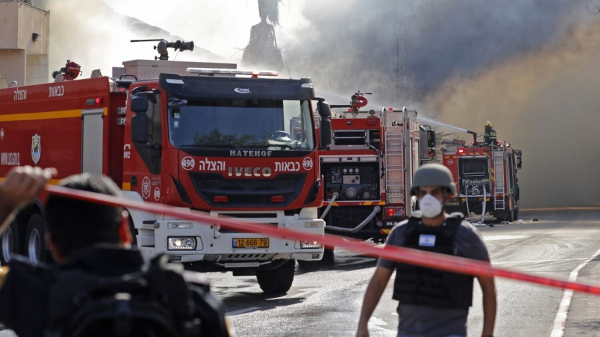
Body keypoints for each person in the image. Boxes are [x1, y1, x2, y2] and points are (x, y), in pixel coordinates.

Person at [0, 166, 230, 337]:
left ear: (52, 244)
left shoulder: (29, 293)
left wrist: (6, 203)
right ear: (124, 228)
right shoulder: (195, 300)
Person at [356, 164, 496, 337]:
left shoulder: (467, 237)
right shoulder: (401, 234)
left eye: (435, 192)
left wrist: (487, 334)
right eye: (423, 193)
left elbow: (488, 286)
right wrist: (363, 324)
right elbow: (378, 282)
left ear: (447, 196)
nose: (428, 198)